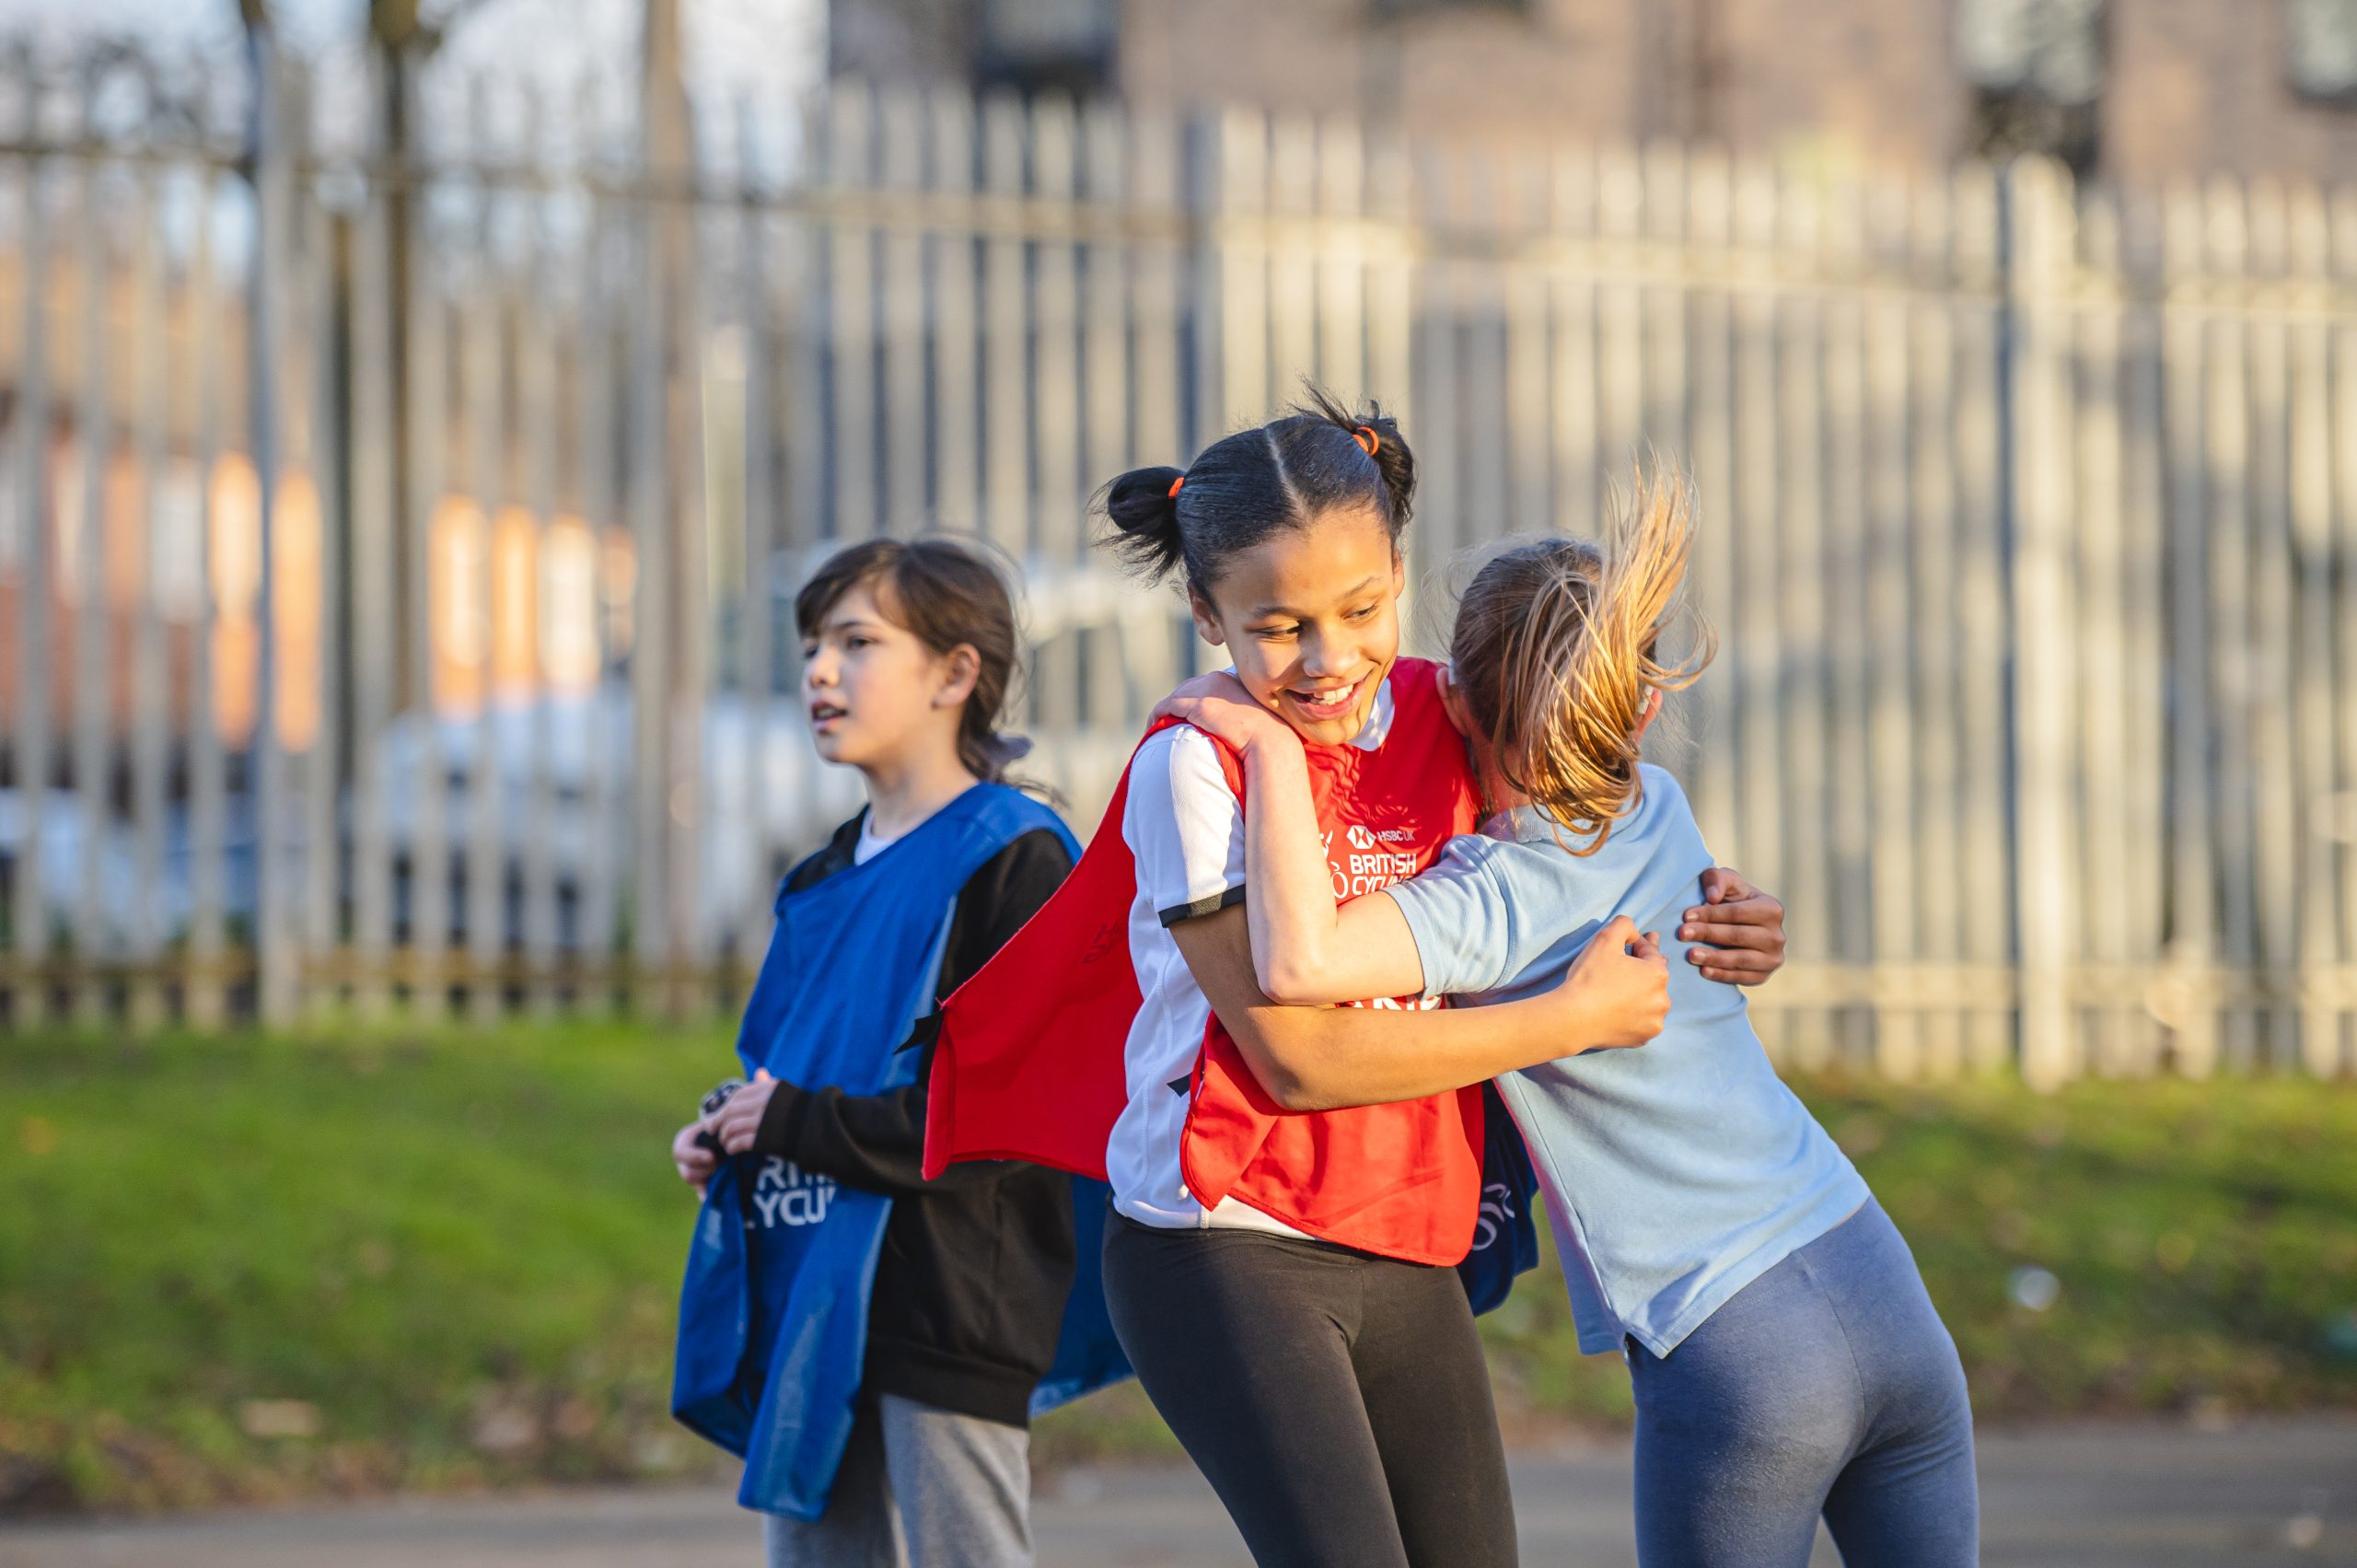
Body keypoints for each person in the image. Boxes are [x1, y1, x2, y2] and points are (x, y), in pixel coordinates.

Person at [919, 392, 1789, 1568]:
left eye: (1362, 608)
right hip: (1222, 1239)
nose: (1328, 659)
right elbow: (1296, 1055)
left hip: (1403, 1231)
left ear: (1396, 571)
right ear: (1205, 613)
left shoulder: (1454, 708)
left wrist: (1718, 915)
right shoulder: (1200, 765)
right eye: (1277, 626)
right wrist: (1562, 1020)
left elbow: (1585, 854)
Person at [1156, 472, 1979, 1568]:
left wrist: (1259, 745)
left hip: (1736, 1347)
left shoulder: (1492, 893)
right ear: (1639, 706)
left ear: (1451, 701)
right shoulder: (1663, 807)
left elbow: (1299, 961)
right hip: (1882, 1287)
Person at [668, 538, 1125, 1568]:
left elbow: (999, 1113)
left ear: (956, 673)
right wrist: (731, 1124)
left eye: (856, 642)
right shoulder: (820, 876)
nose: (817, 672)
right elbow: (787, 1069)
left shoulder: (1016, 856)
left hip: (947, 1301)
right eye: (812, 647)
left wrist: (784, 1119)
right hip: (816, 1292)